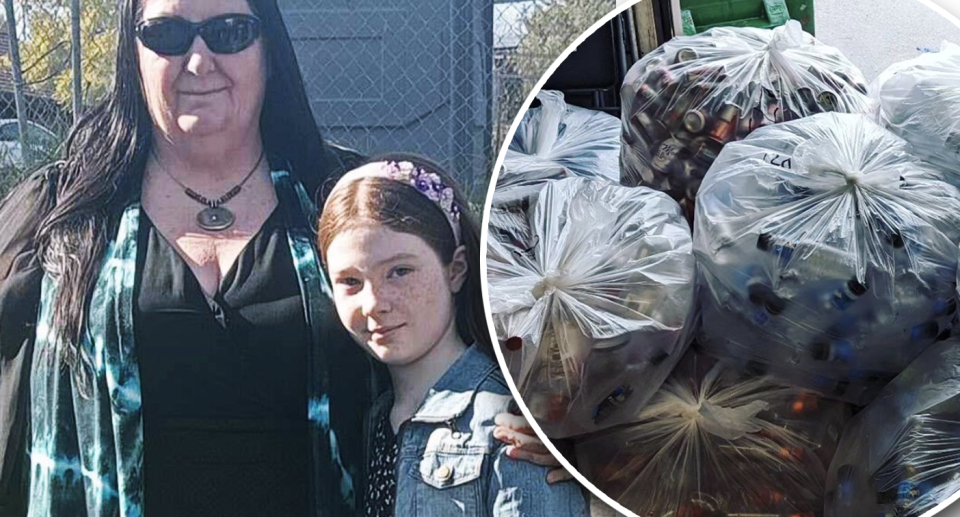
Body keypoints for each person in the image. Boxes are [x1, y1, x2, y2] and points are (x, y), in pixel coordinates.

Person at [0, 0, 565, 515]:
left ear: (269, 48)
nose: (199, 60)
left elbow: (487, 318)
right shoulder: (67, 212)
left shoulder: (343, 199)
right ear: (133, 51)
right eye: (167, 34)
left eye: (229, 32)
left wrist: (548, 412)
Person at [318, 154, 589, 516]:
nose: (374, 304)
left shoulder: (509, 424)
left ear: (456, 270)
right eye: (351, 281)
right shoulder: (372, 419)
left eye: (399, 271)